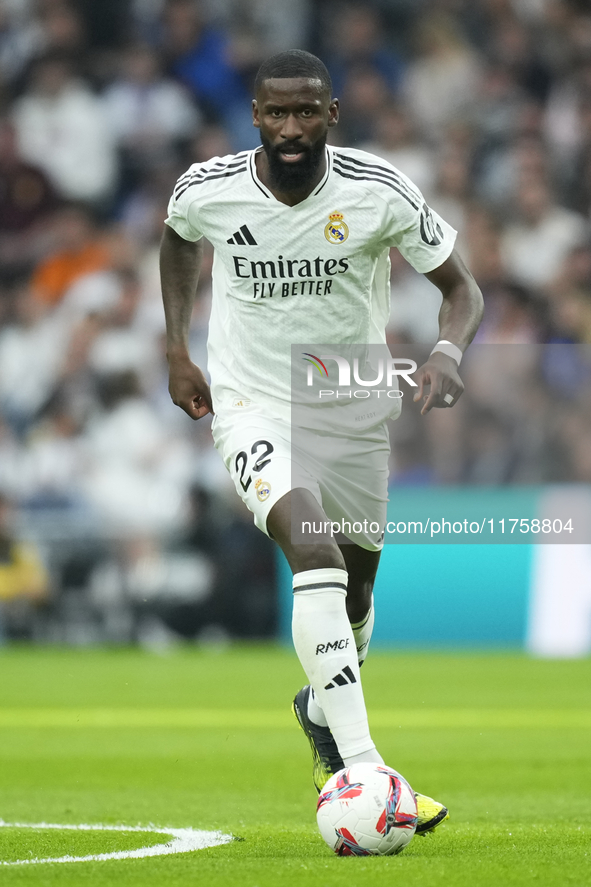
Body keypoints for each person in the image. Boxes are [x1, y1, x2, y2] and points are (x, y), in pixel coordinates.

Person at [160, 49, 484, 835]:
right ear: (255, 116)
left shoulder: (378, 192)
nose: (292, 127)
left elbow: (461, 289)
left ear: (331, 115)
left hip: (347, 399)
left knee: (359, 589)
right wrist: (175, 346)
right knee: (316, 555)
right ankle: (362, 769)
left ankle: (320, 709)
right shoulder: (208, 188)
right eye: (277, 111)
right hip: (251, 401)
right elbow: (176, 240)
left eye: (308, 111)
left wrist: (445, 353)